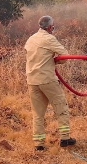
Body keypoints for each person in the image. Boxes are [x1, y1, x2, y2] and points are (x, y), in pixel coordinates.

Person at [25, 15, 76, 151]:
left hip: (32, 80)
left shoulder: (31, 39)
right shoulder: (49, 38)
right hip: (47, 79)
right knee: (62, 108)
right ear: (50, 27)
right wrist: (56, 60)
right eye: (53, 26)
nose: (53, 28)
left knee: (38, 113)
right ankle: (65, 138)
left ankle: (39, 144)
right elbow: (65, 56)